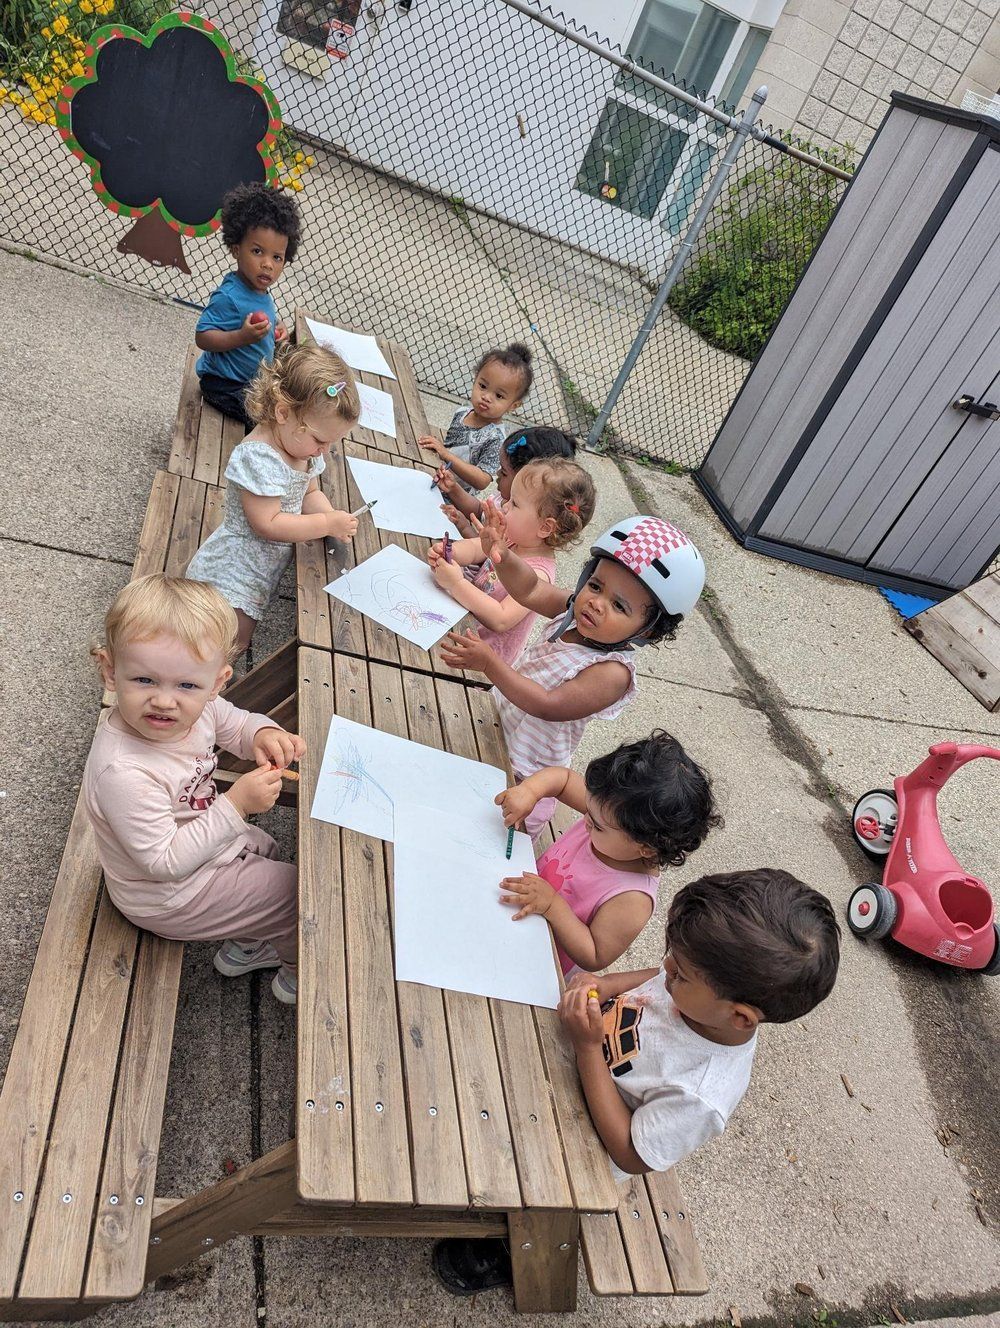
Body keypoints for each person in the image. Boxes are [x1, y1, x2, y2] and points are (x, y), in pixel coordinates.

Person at [433, 868, 840, 1296]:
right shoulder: (700, 993)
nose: (665, 970)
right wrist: (606, 983)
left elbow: (628, 1154)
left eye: (680, 973)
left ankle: (510, 1250)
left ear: (740, 1016)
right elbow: (654, 978)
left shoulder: (701, 1094)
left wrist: (589, 1049)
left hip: (592, 1144)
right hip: (580, 1060)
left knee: (524, 1184)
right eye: (672, 958)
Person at [83, 575, 306, 1006]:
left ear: (217, 682)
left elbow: (236, 724)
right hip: (168, 895)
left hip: (198, 848)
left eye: (186, 686)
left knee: (270, 848)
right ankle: (296, 975)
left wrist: (263, 732)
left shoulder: (201, 708)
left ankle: (246, 944)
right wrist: (236, 805)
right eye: (144, 680)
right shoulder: (123, 771)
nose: (165, 701)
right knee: (297, 898)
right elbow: (164, 862)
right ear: (110, 672)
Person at [441, 512, 706, 838]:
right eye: (595, 585)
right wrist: (503, 555)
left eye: (619, 606)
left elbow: (548, 705)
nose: (596, 603)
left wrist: (491, 664)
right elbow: (531, 589)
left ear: (648, 632)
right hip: (494, 729)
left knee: (476, 842)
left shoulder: (611, 672)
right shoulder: (573, 611)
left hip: (525, 779)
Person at [495, 731, 721, 974]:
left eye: (597, 825)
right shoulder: (610, 812)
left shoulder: (632, 898)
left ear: (645, 847)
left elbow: (595, 955)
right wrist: (530, 791)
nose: (586, 820)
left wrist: (552, 905)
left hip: (539, 963)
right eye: (589, 809)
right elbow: (562, 779)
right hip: (516, 909)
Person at [186, 343, 360, 655]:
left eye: (332, 443)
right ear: (282, 413)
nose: (324, 450)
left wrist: (331, 519)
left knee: (232, 641)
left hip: (260, 569)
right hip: (234, 571)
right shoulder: (260, 457)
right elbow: (267, 523)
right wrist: (324, 523)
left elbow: (310, 492)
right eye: (320, 439)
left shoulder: (300, 449)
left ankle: (206, 681)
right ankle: (202, 684)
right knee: (223, 639)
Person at [427, 458, 596, 666]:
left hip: (479, 661)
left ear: (545, 527)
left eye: (514, 504)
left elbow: (501, 618)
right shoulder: (510, 538)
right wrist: (448, 552)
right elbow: (474, 548)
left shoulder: (538, 574)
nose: (505, 506)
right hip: (458, 624)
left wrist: (455, 583)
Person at [194, 182, 302, 430]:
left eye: (277, 257)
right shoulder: (229, 296)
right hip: (223, 384)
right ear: (236, 249)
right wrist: (241, 336)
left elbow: (261, 316)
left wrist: (277, 329)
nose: (267, 265)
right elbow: (203, 337)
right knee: (266, 421)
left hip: (248, 381)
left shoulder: (258, 289)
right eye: (257, 251)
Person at [418, 343, 534, 492]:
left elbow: (482, 480)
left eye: (499, 395)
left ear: (513, 405)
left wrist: (445, 453)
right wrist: (440, 449)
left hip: (453, 501)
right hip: (434, 479)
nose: (486, 397)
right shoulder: (463, 412)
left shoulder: (496, 439)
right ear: (475, 380)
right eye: (483, 386)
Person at [437, 426, 580, 538]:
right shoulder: (504, 500)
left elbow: (488, 555)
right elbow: (481, 511)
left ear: (526, 480)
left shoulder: (518, 524)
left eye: (504, 472)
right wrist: (453, 488)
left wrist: (465, 528)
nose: (498, 474)